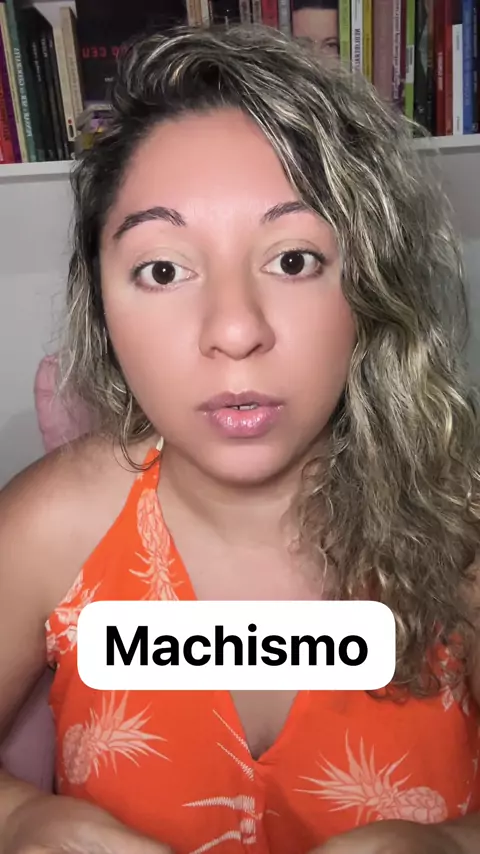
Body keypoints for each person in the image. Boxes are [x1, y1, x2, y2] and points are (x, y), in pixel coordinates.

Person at [1, 22, 480, 854]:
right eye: (163, 269)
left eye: (293, 261)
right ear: (103, 310)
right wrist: (20, 821)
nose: (233, 330)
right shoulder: (48, 528)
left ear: (370, 287)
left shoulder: (461, 520)